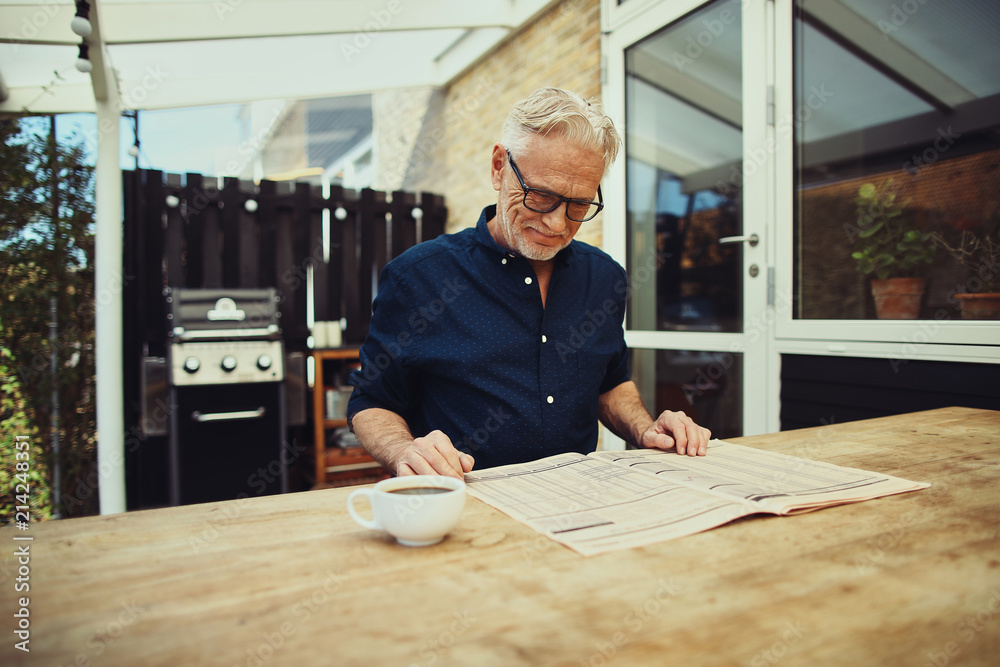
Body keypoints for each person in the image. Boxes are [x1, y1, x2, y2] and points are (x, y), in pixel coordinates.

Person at [347, 87, 711, 479]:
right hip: (465, 504)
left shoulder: (604, 278)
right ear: (499, 167)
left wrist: (644, 428)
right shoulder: (418, 277)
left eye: (579, 205)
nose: (557, 224)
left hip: (580, 500)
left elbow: (610, 383)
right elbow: (371, 400)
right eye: (540, 195)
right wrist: (405, 451)